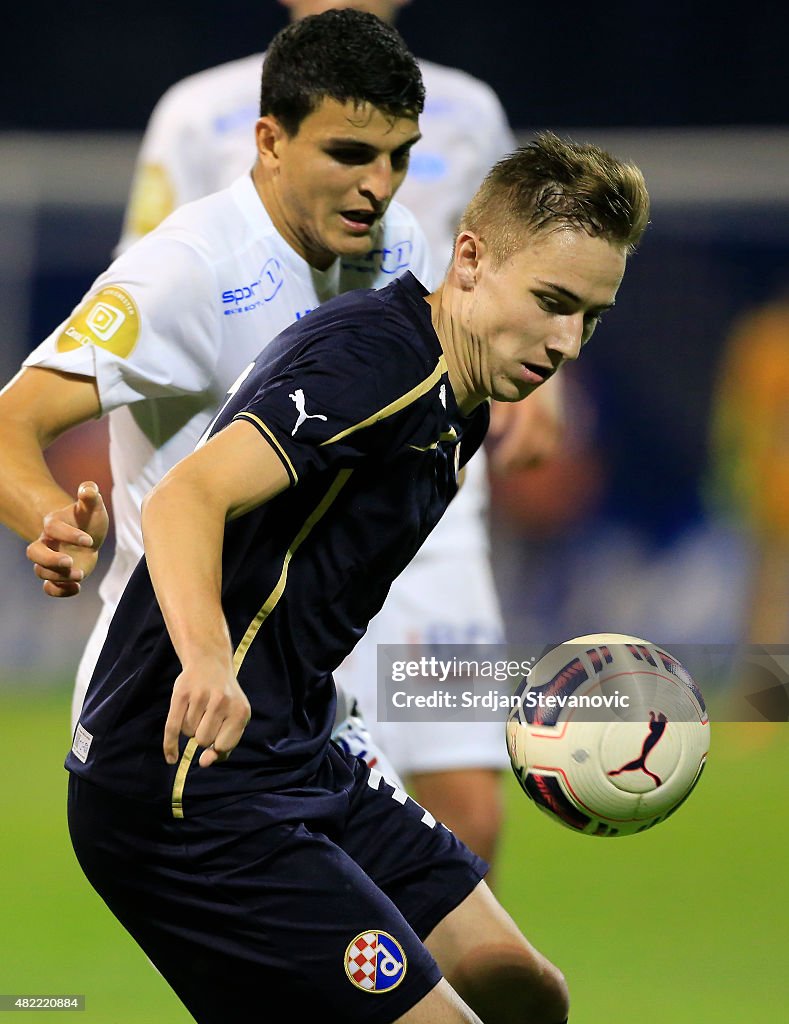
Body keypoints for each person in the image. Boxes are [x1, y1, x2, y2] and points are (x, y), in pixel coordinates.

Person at [66, 130, 649, 1024]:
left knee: (522, 990)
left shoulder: (463, 406)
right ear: (468, 258)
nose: (567, 341)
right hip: (187, 788)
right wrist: (209, 661)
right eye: (551, 301)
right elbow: (187, 499)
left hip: (300, 749)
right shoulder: (375, 365)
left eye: (591, 317)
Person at [113, 0, 565, 867]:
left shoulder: (467, 110)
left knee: (470, 806)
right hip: (287, 504)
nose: (379, 180)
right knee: (293, 795)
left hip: (433, 511)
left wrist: (536, 392)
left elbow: (514, 272)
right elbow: (146, 281)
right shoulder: (195, 109)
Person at [0, 9, 435, 793]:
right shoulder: (189, 269)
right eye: (348, 154)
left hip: (309, 678)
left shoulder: (400, 246)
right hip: (176, 691)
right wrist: (50, 519)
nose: (378, 185)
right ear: (270, 141)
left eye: (398, 158)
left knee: (465, 915)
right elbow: (10, 421)